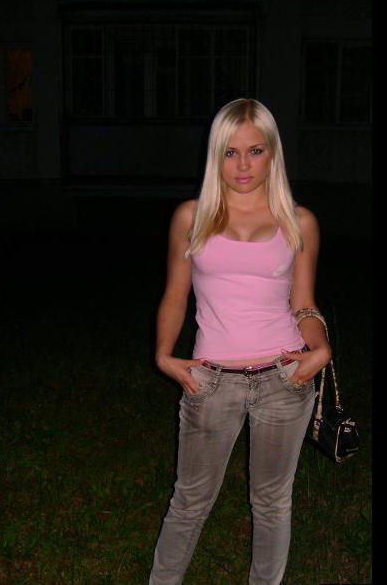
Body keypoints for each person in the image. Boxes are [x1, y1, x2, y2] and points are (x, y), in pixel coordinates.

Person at [149, 98, 332, 585]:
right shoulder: (191, 217)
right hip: (211, 382)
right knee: (190, 500)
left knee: (272, 501)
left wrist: (320, 348)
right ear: (216, 156)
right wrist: (164, 355)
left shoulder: (299, 221)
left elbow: (304, 305)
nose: (243, 165)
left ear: (273, 153)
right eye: (230, 152)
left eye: (255, 151)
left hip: (284, 380)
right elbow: (175, 296)